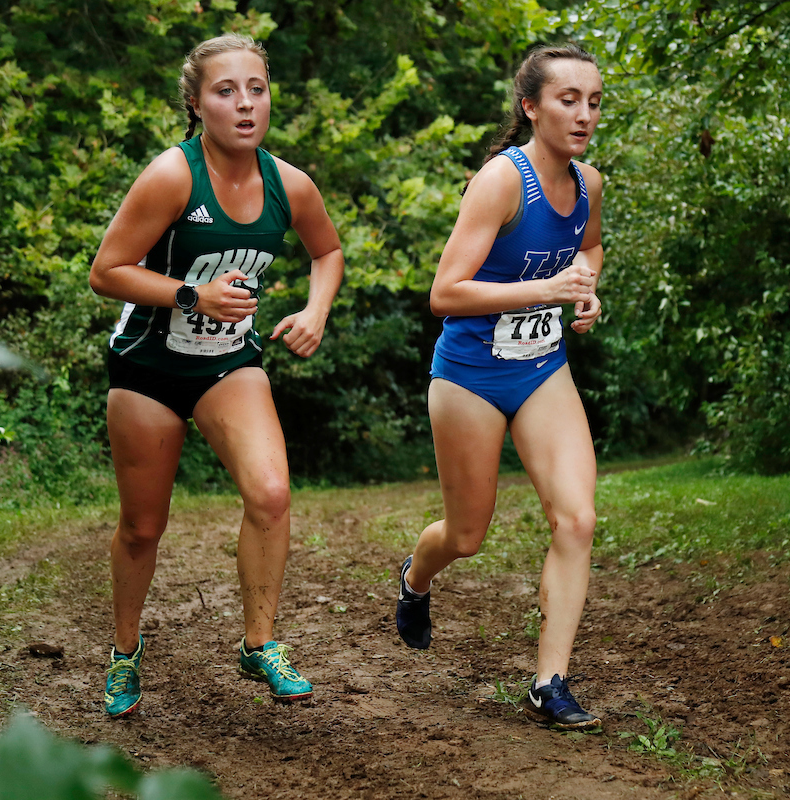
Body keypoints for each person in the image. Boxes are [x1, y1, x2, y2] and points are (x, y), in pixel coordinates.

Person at [88, 33, 344, 718]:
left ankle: (259, 642)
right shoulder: (173, 176)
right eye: (225, 91)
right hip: (147, 367)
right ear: (197, 104)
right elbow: (106, 272)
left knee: (271, 493)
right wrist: (191, 295)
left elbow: (328, 249)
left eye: (255, 89)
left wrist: (316, 310)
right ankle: (124, 652)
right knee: (144, 527)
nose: (244, 103)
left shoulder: (289, 185)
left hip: (229, 363)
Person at [395, 43, 605, 731]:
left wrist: (586, 288)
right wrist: (545, 286)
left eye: (594, 102)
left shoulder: (590, 184)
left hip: (542, 368)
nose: (583, 115)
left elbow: (589, 246)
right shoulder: (502, 181)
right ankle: (415, 579)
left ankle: (551, 682)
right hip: (472, 377)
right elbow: (444, 293)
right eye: (568, 100)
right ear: (531, 106)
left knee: (576, 518)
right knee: (465, 534)